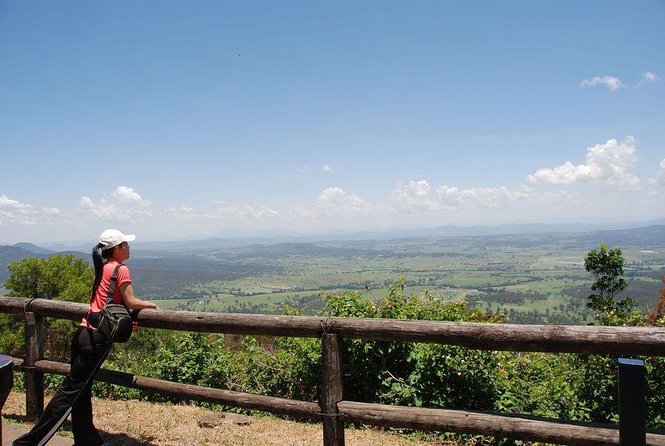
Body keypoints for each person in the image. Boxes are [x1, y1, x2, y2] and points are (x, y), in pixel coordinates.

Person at [14, 229, 158, 446]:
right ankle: (29, 443)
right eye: (126, 244)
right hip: (97, 339)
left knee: (80, 390)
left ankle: (87, 440)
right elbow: (131, 302)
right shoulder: (121, 269)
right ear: (117, 249)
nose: (129, 247)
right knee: (70, 392)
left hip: (83, 332)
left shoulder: (101, 268)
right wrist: (149, 305)